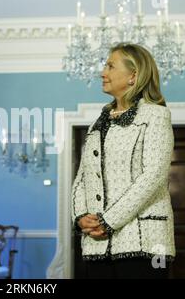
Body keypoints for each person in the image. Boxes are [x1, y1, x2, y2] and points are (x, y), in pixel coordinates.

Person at [71, 43, 175, 279]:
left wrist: (107, 221)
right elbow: (83, 178)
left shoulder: (156, 115)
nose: (102, 72)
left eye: (110, 66)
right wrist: (80, 218)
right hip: (97, 244)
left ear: (133, 76)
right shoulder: (99, 122)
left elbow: (153, 176)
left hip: (145, 245)